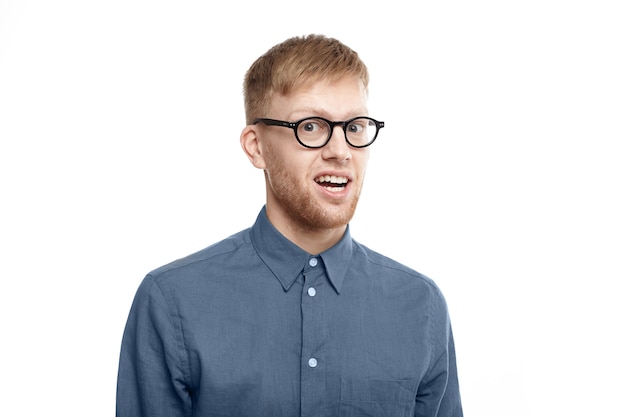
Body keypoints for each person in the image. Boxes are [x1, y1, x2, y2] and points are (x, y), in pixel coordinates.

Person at [116, 34, 463, 417]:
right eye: (311, 127)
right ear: (256, 146)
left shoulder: (420, 305)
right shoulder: (171, 301)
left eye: (355, 126)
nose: (341, 150)